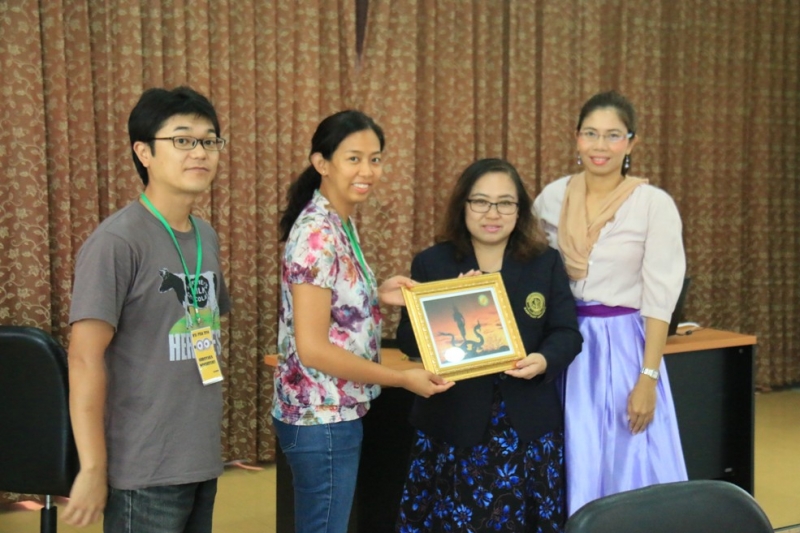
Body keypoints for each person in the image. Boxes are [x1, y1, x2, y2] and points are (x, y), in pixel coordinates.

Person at [272, 110, 455, 533]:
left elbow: (328, 302)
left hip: (334, 410)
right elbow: (313, 349)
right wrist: (402, 378)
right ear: (322, 163)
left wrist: (376, 293)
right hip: (321, 416)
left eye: (375, 159)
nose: (367, 171)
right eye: (353, 159)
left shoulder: (339, 221)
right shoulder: (317, 233)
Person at [62, 86, 231, 533]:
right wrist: (93, 467)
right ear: (144, 152)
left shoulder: (206, 236)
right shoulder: (117, 242)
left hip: (199, 456)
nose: (200, 152)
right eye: (183, 139)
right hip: (143, 466)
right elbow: (83, 358)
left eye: (209, 140)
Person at [395, 158, 583, 532]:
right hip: (453, 423)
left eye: (505, 203)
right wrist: (449, 302)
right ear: (463, 205)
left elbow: (567, 333)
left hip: (526, 423)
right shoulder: (432, 263)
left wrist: (543, 360)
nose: (492, 213)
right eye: (480, 201)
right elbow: (407, 341)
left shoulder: (545, 262)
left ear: (520, 210)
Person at [533, 90, 688, 515]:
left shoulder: (653, 205)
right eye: (591, 134)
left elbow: (660, 299)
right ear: (576, 138)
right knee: (569, 454)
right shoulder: (552, 197)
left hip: (622, 349)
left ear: (631, 143)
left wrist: (648, 379)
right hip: (562, 343)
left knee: (626, 457)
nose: (600, 145)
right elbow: (529, 267)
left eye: (613, 135)